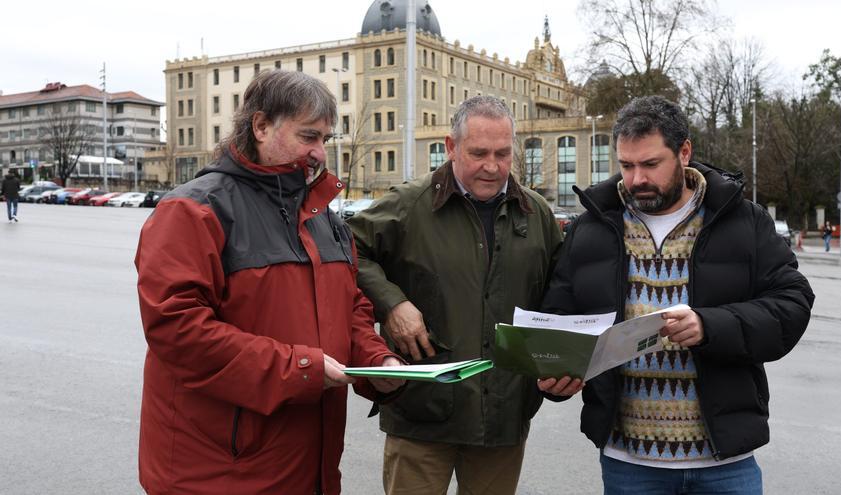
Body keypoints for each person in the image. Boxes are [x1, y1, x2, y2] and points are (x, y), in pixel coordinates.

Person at [134, 70, 403, 495]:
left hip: (308, 469)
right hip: (219, 473)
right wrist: (297, 369)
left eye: (325, 141)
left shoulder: (324, 220)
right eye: (308, 137)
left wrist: (377, 362)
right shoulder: (193, 211)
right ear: (260, 126)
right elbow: (177, 330)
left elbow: (351, 310)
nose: (320, 154)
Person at [540, 95, 814, 494]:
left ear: (684, 152)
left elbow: (792, 304)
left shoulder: (741, 220)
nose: (636, 180)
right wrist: (554, 375)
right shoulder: (592, 228)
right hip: (629, 462)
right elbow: (558, 317)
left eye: (650, 164)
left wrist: (709, 325)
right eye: (626, 166)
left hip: (725, 462)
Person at [348, 95, 563, 494]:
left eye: (503, 153)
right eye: (478, 152)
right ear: (450, 147)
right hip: (422, 414)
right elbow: (347, 252)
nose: (492, 166)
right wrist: (391, 302)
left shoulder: (537, 215)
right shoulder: (408, 205)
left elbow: (561, 293)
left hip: (503, 419)